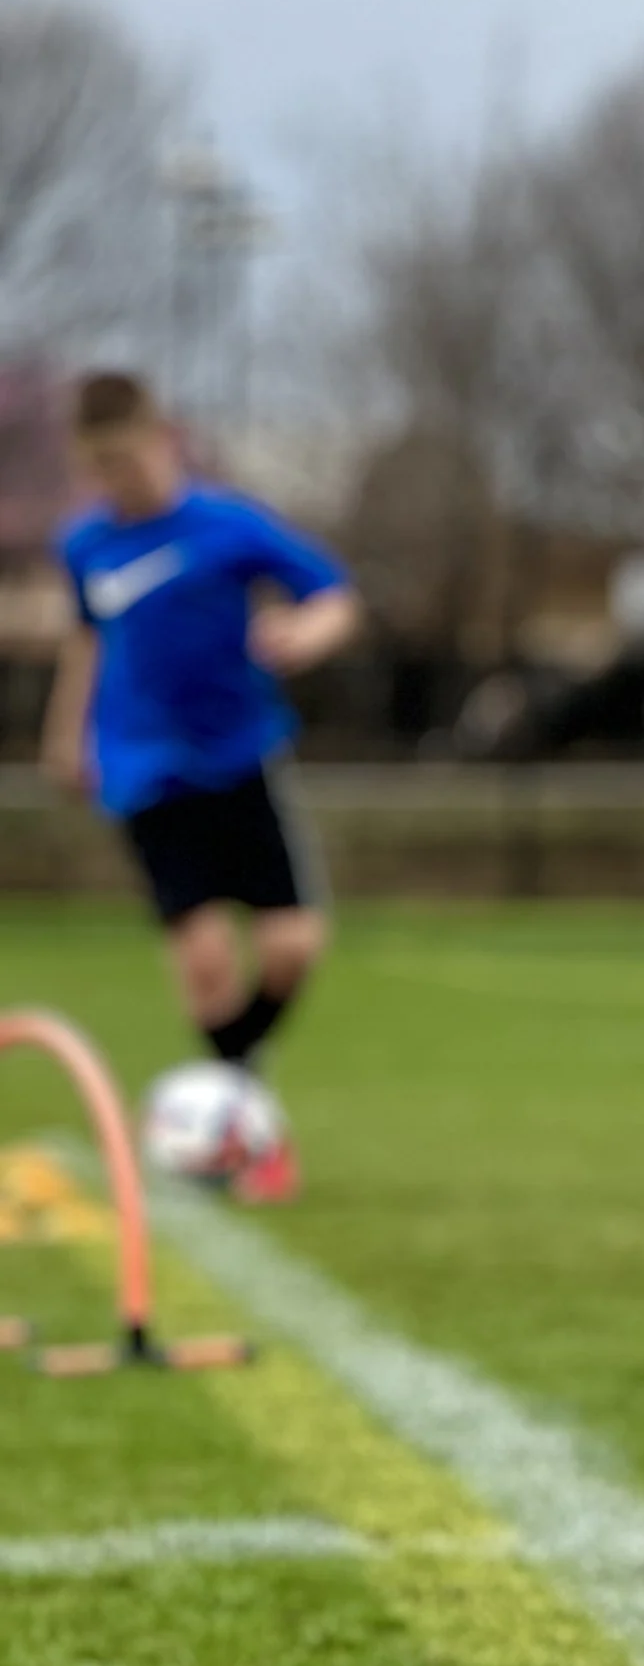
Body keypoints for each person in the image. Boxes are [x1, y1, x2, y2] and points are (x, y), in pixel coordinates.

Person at [41, 371, 359, 1183]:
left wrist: (303, 635)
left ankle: (227, 1092)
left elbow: (333, 596)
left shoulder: (228, 525)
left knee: (292, 944)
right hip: (144, 764)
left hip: (239, 753)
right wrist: (66, 732)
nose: (119, 480)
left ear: (163, 438)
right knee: (207, 955)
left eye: (129, 459)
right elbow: (86, 640)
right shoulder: (85, 545)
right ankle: (236, 1125)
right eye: (100, 466)